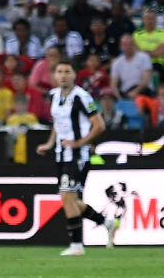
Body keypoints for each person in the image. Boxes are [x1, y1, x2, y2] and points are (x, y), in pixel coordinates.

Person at [36, 60, 115, 255]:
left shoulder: (82, 96)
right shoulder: (54, 95)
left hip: (78, 155)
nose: (63, 75)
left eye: (67, 71)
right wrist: (49, 143)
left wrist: (80, 142)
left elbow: (99, 125)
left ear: (74, 75)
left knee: (66, 196)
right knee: (70, 199)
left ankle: (77, 245)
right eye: (59, 71)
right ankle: (106, 222)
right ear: (54, 75)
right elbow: (58, 123)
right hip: (61, 154)